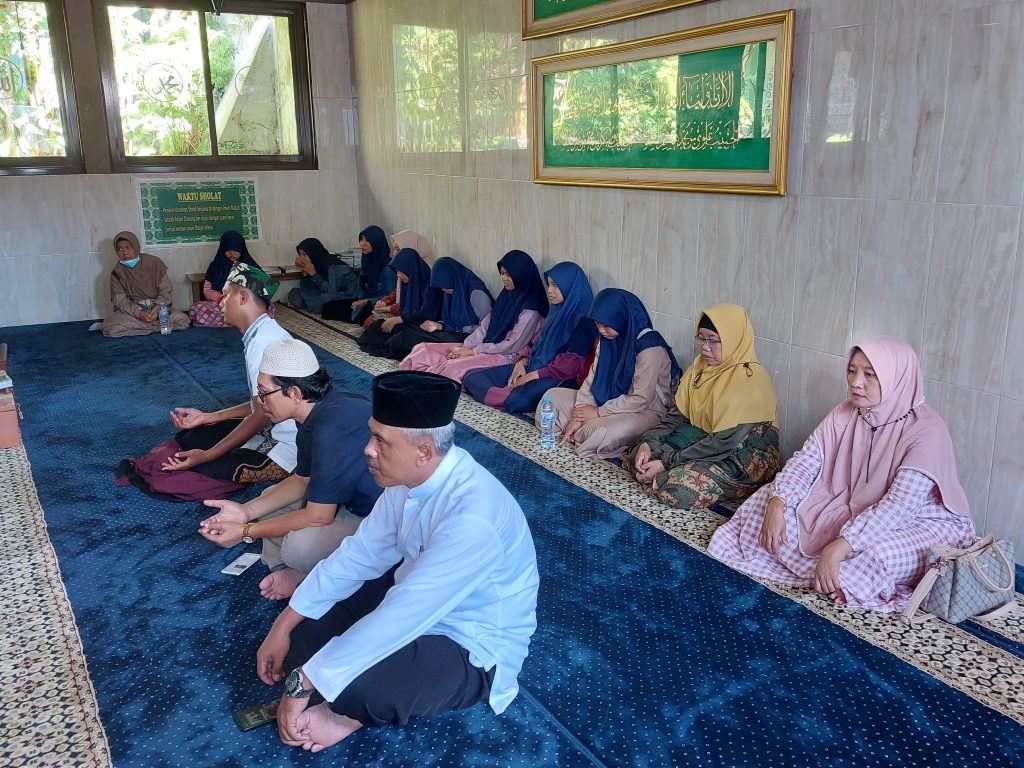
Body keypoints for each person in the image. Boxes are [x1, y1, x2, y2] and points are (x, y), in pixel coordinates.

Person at [256, 371, 539, 754]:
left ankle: (345, 717)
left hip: (469, 638)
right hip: (411, 591)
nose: (367, 450)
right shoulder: (406, 480)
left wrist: (301, 685)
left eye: (381, 441)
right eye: (371, 435)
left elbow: (404, 614)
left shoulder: (475, 518)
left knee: (359, 690)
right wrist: (283, 624)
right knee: (305, 636)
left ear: (424, 450)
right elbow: (358, 556)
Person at [708, 337, 975, 613]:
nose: (856, 382)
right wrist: (778, 504)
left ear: (897, 378)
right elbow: (806, 462)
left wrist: (840, 546)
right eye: (852, 371)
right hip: (850, 506)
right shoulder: (847, 412)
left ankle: (838, 574)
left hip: (919, 523)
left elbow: (898, 509)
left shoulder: (927, 432)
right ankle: (831, 575)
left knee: (876, 557)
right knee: (765, 502)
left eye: (870, 375)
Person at [198, 340, 382, 600]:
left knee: (299, 548)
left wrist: (246, 531)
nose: (260, 402)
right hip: (345, 499)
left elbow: (318, 517)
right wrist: (244, 512)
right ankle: (291, 571)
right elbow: (302, 480)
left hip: (379, 516)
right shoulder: (317, 409)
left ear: (294, 393)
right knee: (269, 501)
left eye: (264, 393)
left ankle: (300, 570)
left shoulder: (333, 426)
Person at [624, 303, 782, 510]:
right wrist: (648, 443)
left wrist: (666, 461)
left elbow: (723, 444)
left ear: (733, 340)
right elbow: (675, 418)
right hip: (700, 441)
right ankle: (661, 471)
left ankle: (667, 475)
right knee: (639, 455)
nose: (705, 347)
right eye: (701, 339)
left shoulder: (749, 380)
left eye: (713, 341)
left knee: (679, 489)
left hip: (739, 457)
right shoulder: (699, 369)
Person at [162, 263, 298, 484]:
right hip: (270, 423)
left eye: (225, 296)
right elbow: (260, 404)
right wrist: (208, 417)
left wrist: (209, 455)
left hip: (290, 444)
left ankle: (292, 470)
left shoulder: (263, 342)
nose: (220, 302)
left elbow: (262, 414)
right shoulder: (262, 332)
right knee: (191, 437)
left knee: (204, 468)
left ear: (243, 297)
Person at [537, 288, 679, 459]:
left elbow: (640, 398)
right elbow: (592, 379)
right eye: (598, 324)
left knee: (601, 431)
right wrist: (579, 414)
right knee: (552, 397)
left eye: (606, 325)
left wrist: (598, 412)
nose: (602, 330)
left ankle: (583, 430)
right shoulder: (606, 341)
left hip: (644, 410)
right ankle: (580, 429)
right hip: (606, 400)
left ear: (621, 319)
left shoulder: (649, 347)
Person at [399, 250, 548, 384]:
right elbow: (485, 326)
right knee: (423, 350)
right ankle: (406, 380)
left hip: (506, 354)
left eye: (509, 275)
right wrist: (466, 347)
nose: (504, 278)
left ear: (521, 275)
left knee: (451, 368)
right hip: (484, 345)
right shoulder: (506, 296)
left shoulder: (531, 309)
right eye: (502, 273)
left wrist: (473, 352)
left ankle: (422, 386)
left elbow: (512, 344)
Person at [464, 261, 595, 414]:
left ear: (570, 286)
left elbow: (570, 365)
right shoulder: (555, 312)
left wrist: (531, 376)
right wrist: (521, 364)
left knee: (516, 401)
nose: (550, 291)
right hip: (533, 365)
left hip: (557, 376)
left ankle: (504, 395)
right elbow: (537, 348)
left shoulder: (586, 320)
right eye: (549, 285)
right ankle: (503, 394)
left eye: (555, 286)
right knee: (471, 378)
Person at [383, 256, 493, 359]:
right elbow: (447, 319)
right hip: (451, 331)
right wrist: (438, 325)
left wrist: (448, 328)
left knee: (422, 338)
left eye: (446, 287)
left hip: (469, 337)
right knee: (412, 330)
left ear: (452, 278)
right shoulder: (451, 289)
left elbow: (487, 328)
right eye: (442, 288)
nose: (444, 290)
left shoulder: (476, 293)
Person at [96, 231, 189, 337]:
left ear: (136, 247)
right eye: (120, 249)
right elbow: (120, 300)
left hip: (157, 308)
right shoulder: (117, 272)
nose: (124, 252)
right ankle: (155, 326)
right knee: (111, 327)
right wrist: (139, 313)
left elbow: (165, 290)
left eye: (128, 247)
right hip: (133, 312)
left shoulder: (154, 263)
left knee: (182, 319)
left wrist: (157, 308)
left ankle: (144, 327)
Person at [356, 248, 439, 359]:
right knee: (377, 326)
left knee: (399, 339)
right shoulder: (407, 283)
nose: (398, 275)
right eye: (397, 271)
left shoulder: (429, 285)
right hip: (408, 322)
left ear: (410, 268)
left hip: (423, 327)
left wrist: (398, 319)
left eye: (401, 271)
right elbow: (404, 309)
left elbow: (426, 314)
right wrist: (395, 319)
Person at [188, 230, 266, 328]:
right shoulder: (215, 266)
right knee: (197, 308)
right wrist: (223, 299)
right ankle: (241, 321)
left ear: (242, 249)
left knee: (268, 307)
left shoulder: (250, 265)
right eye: (228, 250)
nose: (232, 253)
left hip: (246, 304)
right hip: (223, 305)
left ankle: (232, 321)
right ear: (222, 249)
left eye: (236, 250)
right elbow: (207, 290)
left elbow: (262, 289)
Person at [322, 226, 395, 324]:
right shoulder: (366, 260)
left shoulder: (388, 268)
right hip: (364, 298)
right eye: (361, 240)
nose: (362, 244)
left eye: (367, 241)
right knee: (328, 307)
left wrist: (367, 301)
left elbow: (391, 295)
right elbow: (361, 287)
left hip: (378, 303)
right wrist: (359, 300)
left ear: (376, 243)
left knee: (360, 315)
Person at [287, 238, 359, 314]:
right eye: (299, 254)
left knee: (324, 299)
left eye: (305, 255)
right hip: (324, 292)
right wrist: (305, 272)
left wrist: (314, 274)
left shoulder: (331, 265)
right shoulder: (314, 264)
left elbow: (331, 290)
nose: (301, 258)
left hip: (347, 294)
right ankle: (309, 304)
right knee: (295, 292)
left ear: (313, 253)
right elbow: (306, 289)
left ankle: (308, 304)